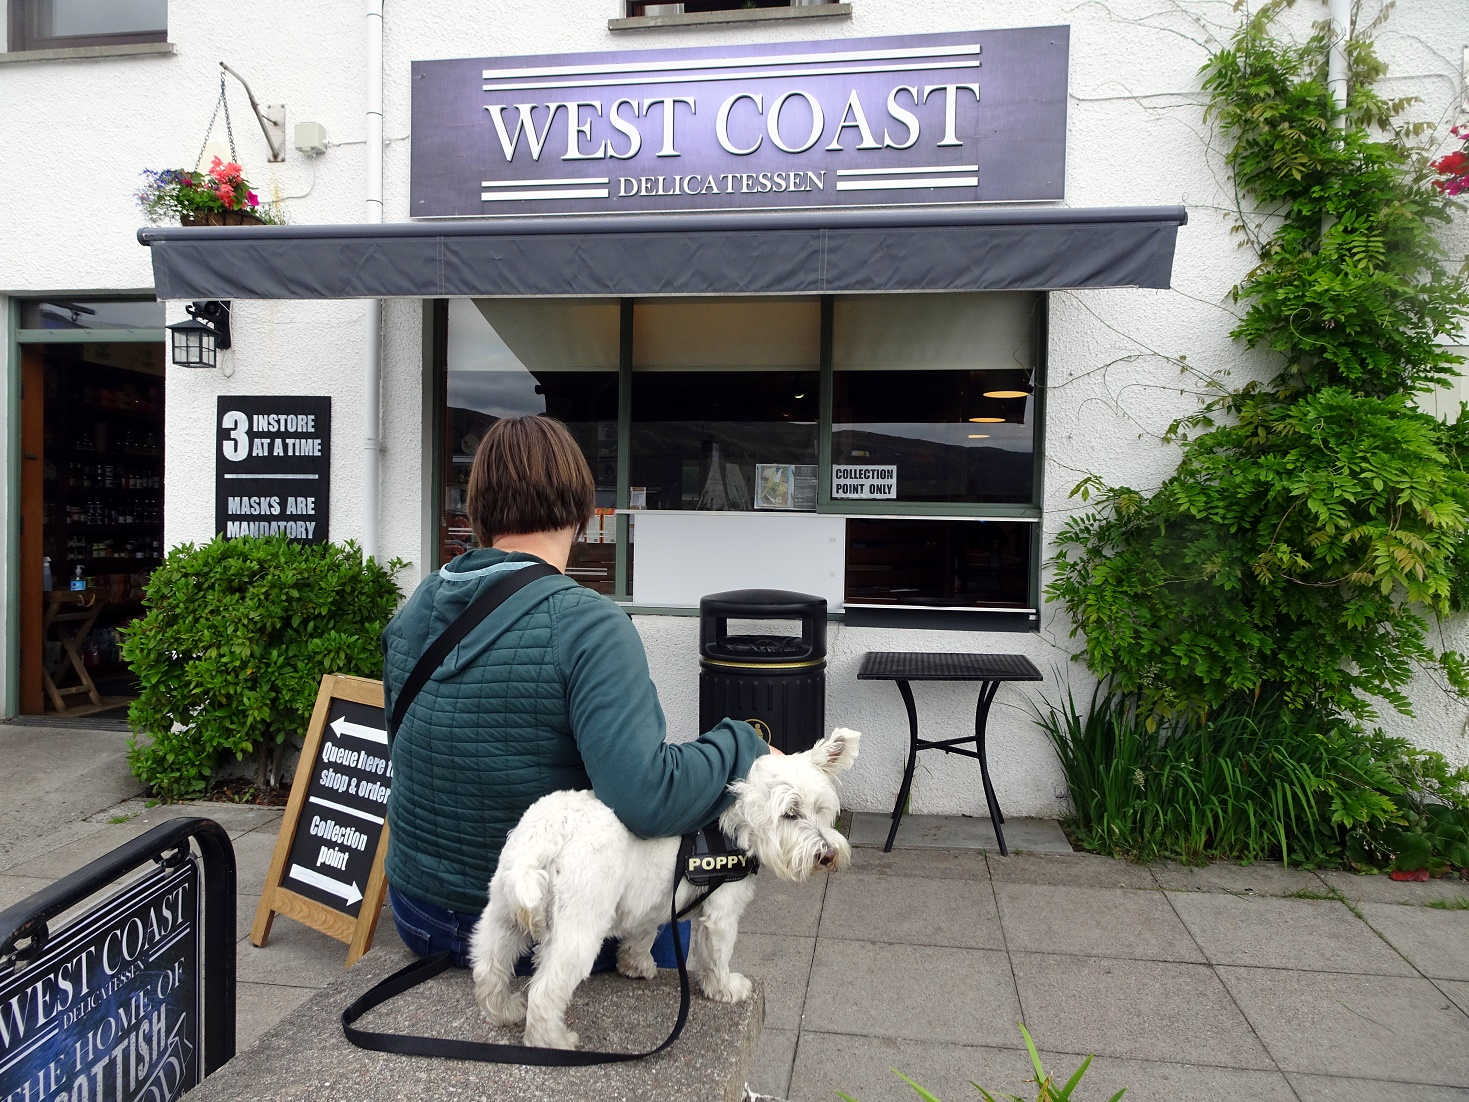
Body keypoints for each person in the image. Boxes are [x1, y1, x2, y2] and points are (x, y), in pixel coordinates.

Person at [382, 414, 773, 969]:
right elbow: (648, 797)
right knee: (682, 917)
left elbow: (402, 745)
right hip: (528, 933)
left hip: (417, 910)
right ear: (581, 510)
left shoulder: (416, 608)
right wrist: (741, 746)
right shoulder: (589, 626)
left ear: (478, 509)